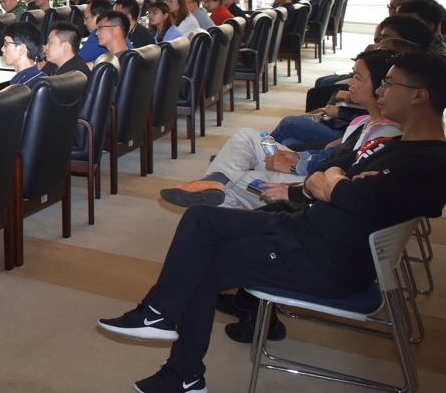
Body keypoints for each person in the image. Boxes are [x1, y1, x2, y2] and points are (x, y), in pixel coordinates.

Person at [97, 51, 446, 393]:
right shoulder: (397, 144)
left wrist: (335, 182)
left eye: (390, 83)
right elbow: (328, 172)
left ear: (419, 95)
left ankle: (181, 373)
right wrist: (335, 181)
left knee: (199, 267)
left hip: (322, 260)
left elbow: (345, 191)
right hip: (304, 229)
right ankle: (158, 313)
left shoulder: (428, 162)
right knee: (200, 219)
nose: (382, 90)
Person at [160, 48, 401, 210]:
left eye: (357, 77)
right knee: (246, 135)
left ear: (381, 86)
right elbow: (333, 153)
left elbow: (343, 172)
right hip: (309, 166)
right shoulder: (364, 121)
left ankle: (217, 191)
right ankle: (215, 181)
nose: (350, 82)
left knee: (237, 177)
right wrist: (299, 157)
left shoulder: (385, 132)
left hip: (311, 185)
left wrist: (296, 164)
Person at [1, 22, 45, 86]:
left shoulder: (22, 87)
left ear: (22, 48)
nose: (2, 49)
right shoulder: (40, 78)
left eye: (6, 44)